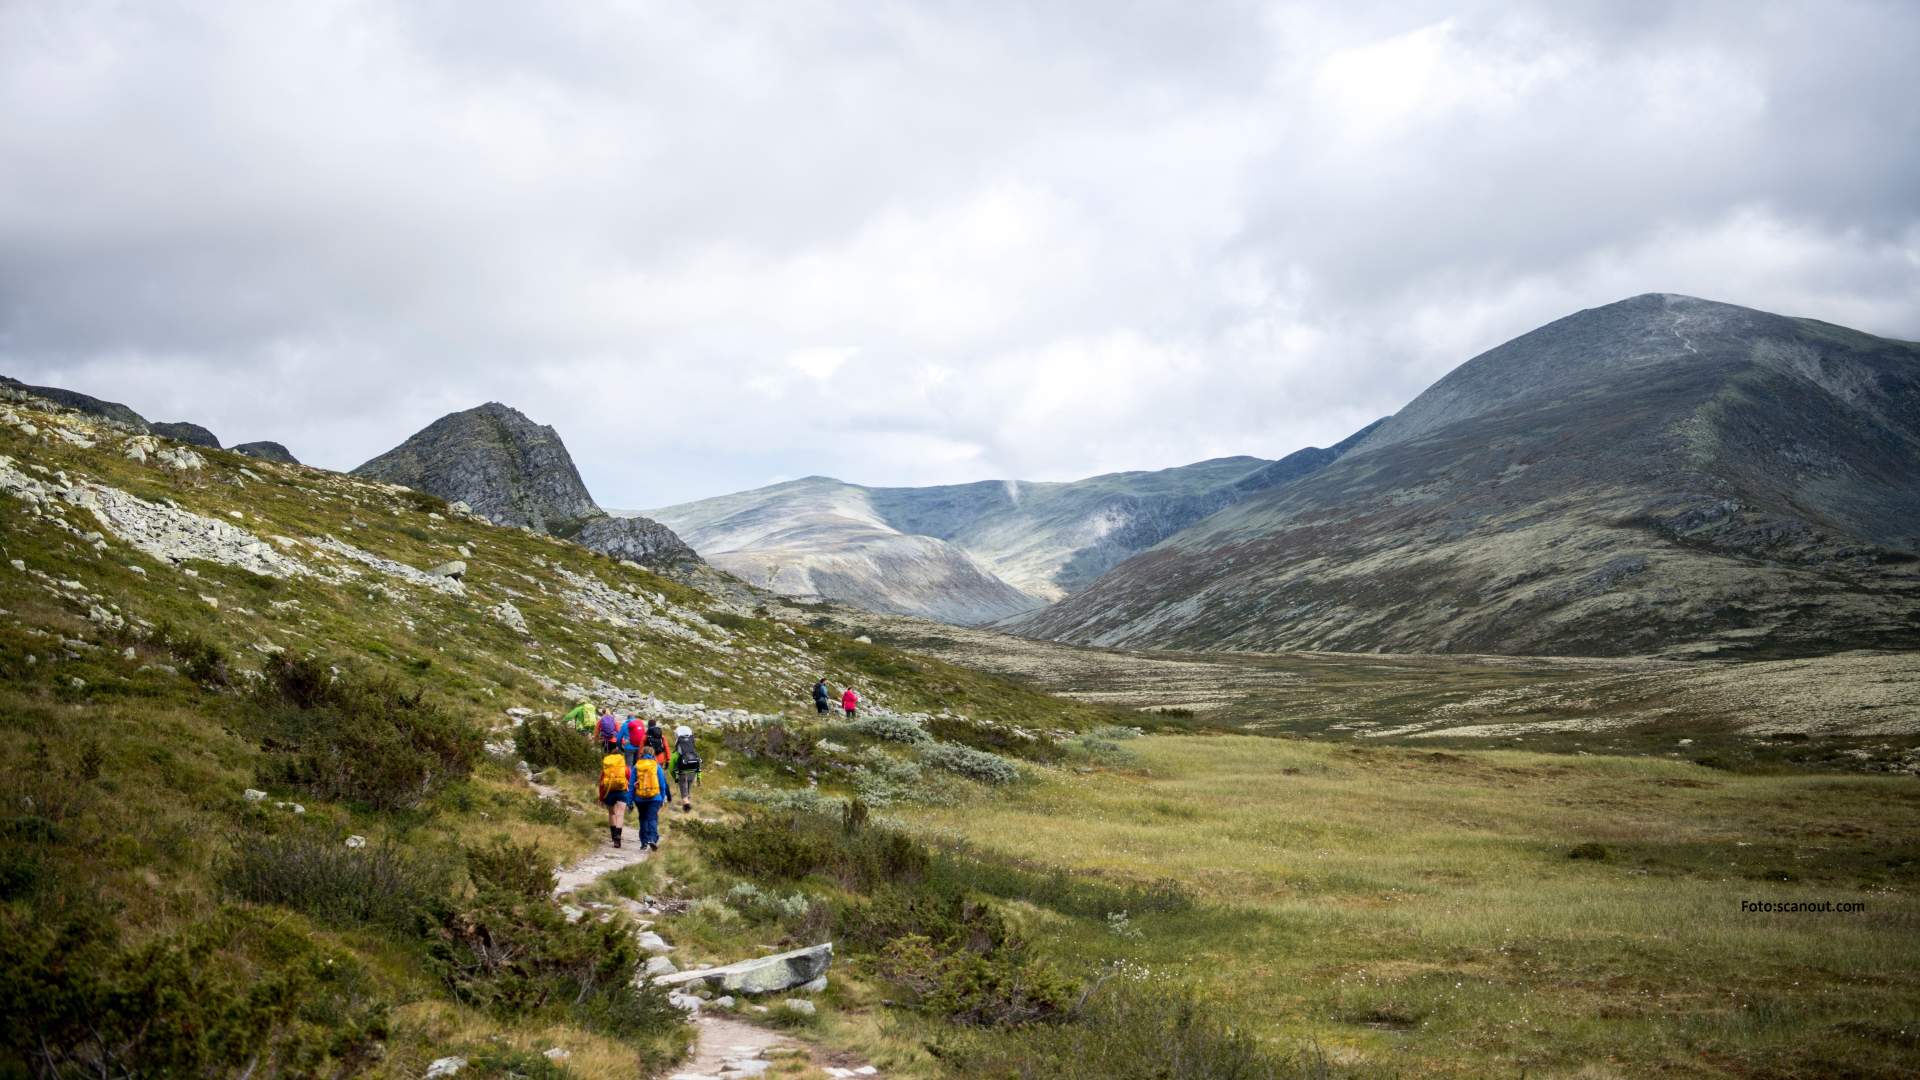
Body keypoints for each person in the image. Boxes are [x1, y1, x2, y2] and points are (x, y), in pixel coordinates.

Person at [596, 745, 633, 847]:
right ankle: (618, 837)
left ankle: (613, 836)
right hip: (622, 792)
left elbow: (601, 783)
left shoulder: (606, 769)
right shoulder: (625, 768)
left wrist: (601, 797)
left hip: (609, 792)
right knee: (620, 814)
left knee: (612, 814)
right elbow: (630, 781)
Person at [634, 746, 669, 851]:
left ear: (642, 754)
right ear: (653, 754)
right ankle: (652, 839)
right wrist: (662, 798)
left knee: (643, 818)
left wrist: (630, 800)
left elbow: (631, 785)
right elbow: (663, 785)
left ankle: (644, 842)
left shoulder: (637, 766)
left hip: (640, 798)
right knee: (652, 818)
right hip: (655, 797)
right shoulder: (657, 766)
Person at [670, 725, 701, 812]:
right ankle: (687, 807)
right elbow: (699, 765)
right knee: (688, 788)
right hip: (693, 771)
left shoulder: (677, 752)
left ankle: (686, 804)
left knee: (683, 789)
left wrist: (675, 777)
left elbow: (671, 767)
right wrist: (699, 778)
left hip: (682, 772)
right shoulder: (693, 751)